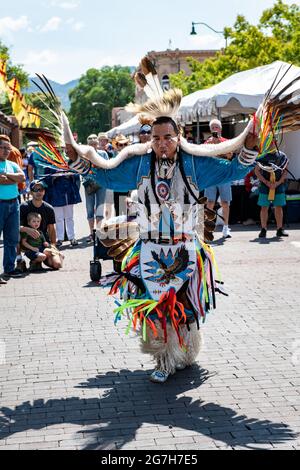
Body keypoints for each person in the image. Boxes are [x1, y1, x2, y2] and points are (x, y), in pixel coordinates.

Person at [64, 63, 259, 384]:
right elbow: (106, 174)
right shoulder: (140, 163)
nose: (162, 143)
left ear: (178, 136)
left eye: (168, 137)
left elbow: (232, 171)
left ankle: (186, 350)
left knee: (183, 308)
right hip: (150, 248)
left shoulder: (194, 163)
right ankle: (164, 359)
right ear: (150, 138)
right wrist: (78, 160)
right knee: (157, 307)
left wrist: (249, 146)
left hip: (185, 247)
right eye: (156, 138)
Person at [19, 180, 63, 270]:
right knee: (14, 234)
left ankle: (36, 261)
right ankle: (19, 260)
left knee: (57, 264)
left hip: (42, 242)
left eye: (41, 189)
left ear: (44, 191)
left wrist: (53, 245)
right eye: (36, 189)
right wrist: (27, 229)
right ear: (31, 192)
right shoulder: (23, 207)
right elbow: (14, 227)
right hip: (26, 241)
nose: (39, 192)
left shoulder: (49, 208)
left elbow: (51, 229)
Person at [0, 136, 25, 279]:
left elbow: (21, 178)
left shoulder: (11, 164)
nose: (6, 151)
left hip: (13, 203)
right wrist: (12, 179)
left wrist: (6, 175)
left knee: (12, 238)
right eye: (3, 148)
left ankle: (9, 268)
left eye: (8, 148)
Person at [204, 120, 233, 239]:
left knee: (225, 202)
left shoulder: (226, 142)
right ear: (211, 129)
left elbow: (230, 156)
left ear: (220, 129)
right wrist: (210, 146)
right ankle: (207, 228)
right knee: (209, 202)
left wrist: (220, 146)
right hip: (211, 175)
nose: (215, 129)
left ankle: (226, 228)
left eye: (217, 127)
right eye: (213, 127)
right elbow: (204, 158)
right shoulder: (207, 142)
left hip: (223, 175)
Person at [79, 136, 109, 242]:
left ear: (97, 144)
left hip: (101, 183)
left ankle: (99, 232)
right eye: (90, 144)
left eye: (94, 144)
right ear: (88, 145)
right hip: (89, 184)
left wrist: (100, 166)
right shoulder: (84, 155)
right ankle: (92, 232)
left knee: (100, 207)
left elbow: (107, 166)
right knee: (90, 208)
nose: (93, 146)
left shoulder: (103, 154)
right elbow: (81, 170)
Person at [255, 146, 289, 238]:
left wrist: (278, 183)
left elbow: (285, 171)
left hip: (278, 185)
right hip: (265, 185)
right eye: (270, 142)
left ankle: (279, 229)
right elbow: (257, 171)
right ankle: (263, 229)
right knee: (264, 207)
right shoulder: (262, 156)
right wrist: (266, 182)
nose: (272, 144)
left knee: (278, 207)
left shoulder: (282, 156)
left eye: (273, 142)